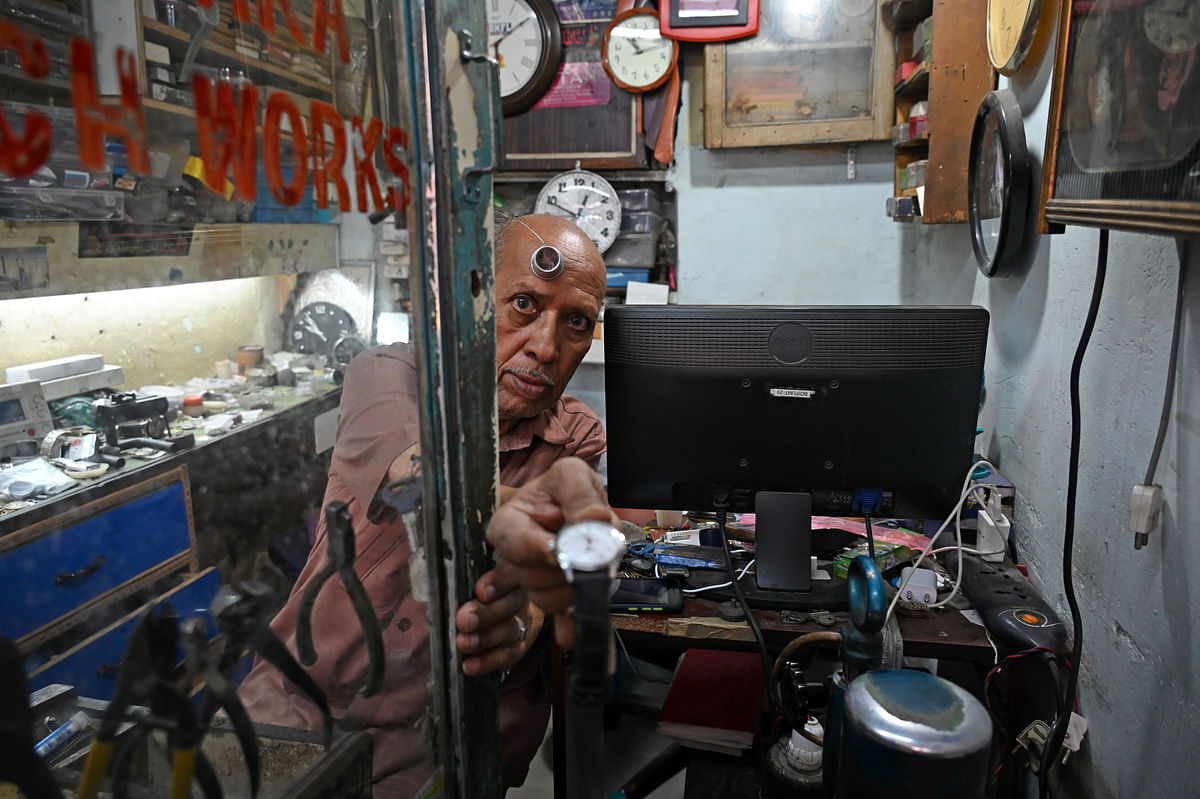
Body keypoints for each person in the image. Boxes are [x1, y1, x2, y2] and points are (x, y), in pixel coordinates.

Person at [237, 214, 608, 796]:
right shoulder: (388, 375)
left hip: (448, 737)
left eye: (577, 323)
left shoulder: (575, 438)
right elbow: (417, 483)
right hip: (306, 707)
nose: (546, 346)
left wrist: (521, 623)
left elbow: (547, 582)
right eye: (524, 306)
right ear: (472, 301)